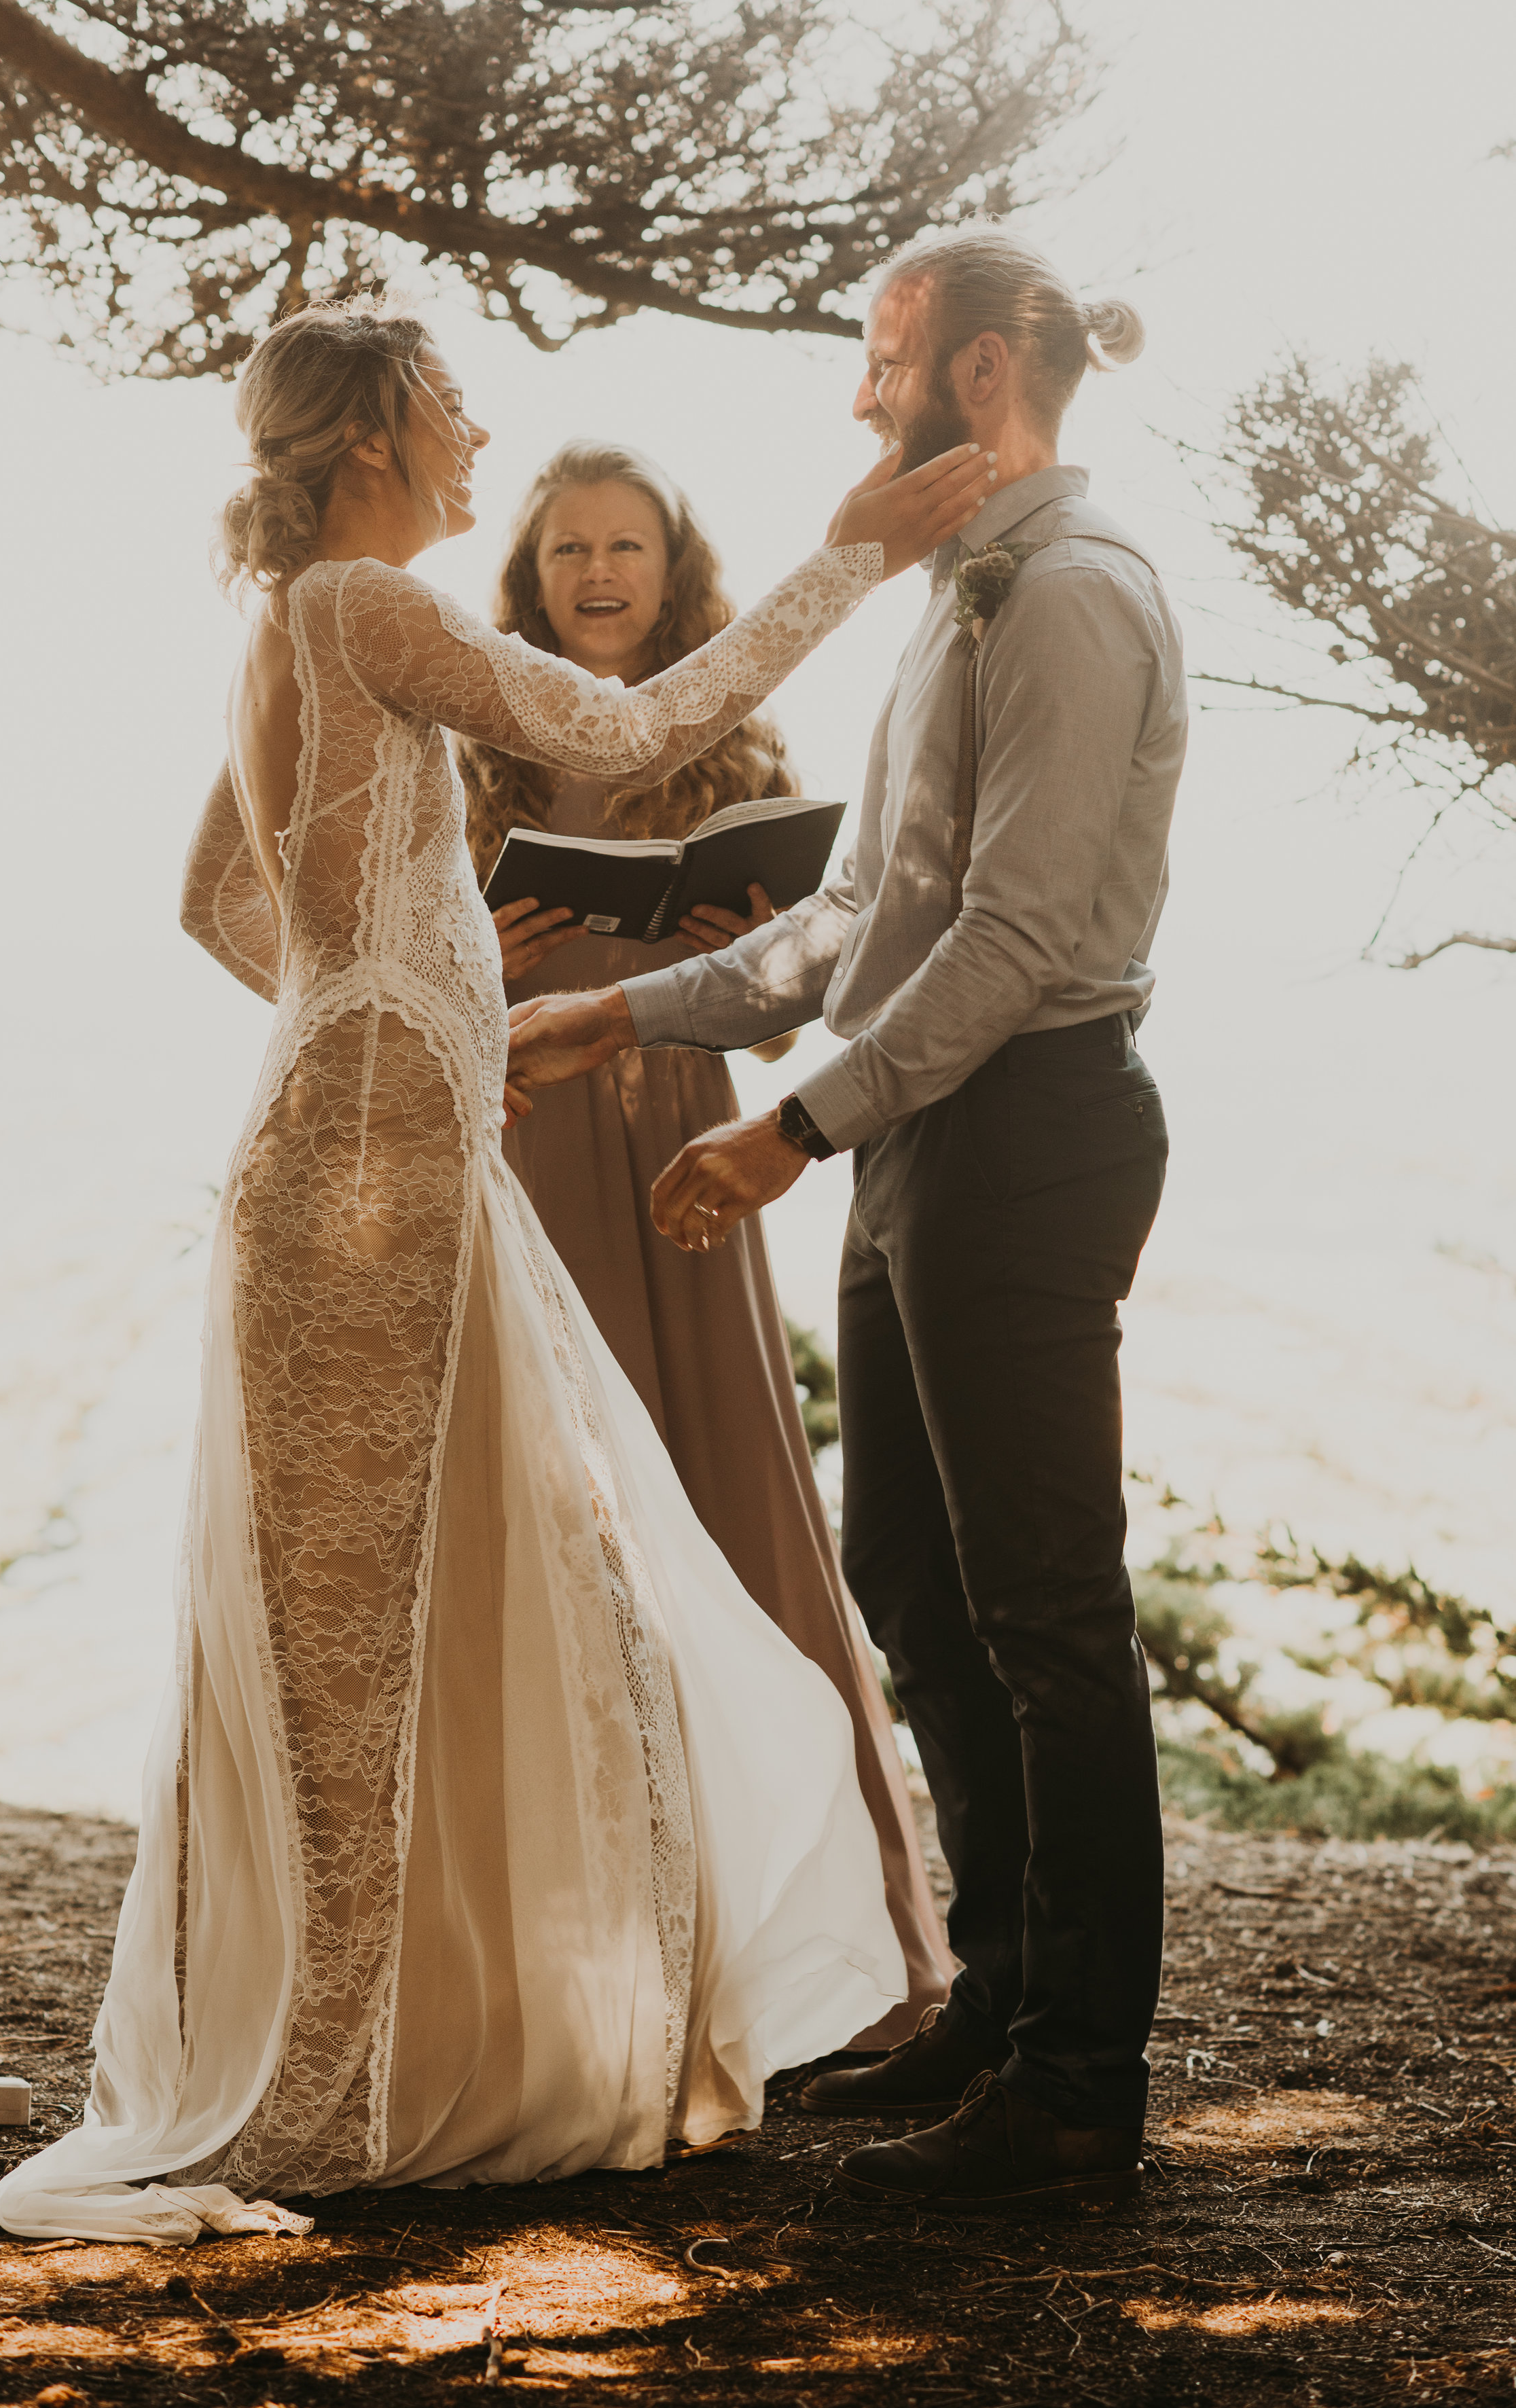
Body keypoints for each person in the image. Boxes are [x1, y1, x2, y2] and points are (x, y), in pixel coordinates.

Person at [0, 295, 996, 2244]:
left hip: (370, 1134)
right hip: (363, 1169)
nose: (475, 439)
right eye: (449, 407)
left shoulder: (308, 620)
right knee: (370, 1626)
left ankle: (404, 2030)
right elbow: (622, 731)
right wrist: (852, 552)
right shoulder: (361, 604)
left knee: (454, 1593)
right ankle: (342, 2063)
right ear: (368, 433)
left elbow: (218, 899)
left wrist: (398, 962)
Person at [507, 229, 1189, 2212]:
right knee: (909, 1572)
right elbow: (852, 925)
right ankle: (997, 1996)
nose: (856, 393)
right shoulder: (946, 607)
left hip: (1029, 1130)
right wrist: (611, 1007)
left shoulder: (1068, 594)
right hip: (919, 1141)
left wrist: (781, 1140)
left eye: (880, 356)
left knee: (1050, 1610)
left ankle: (1077, 2090)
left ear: (980, 375)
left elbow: (1013, 938)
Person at [460, 442, 950, 2041]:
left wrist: (766, 947)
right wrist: (483, 936)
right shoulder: (477, 738)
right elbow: (386, 947)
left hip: (678, 1119)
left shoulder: (736, 741)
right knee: (553, 1509)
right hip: (527, 1136)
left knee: (724, 1480)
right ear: (528, 575)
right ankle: (585, 1955)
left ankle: (817, 1936)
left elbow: (834, 941)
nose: (599, 573)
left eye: (629, 547)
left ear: (676, 574)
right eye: (568, 550)